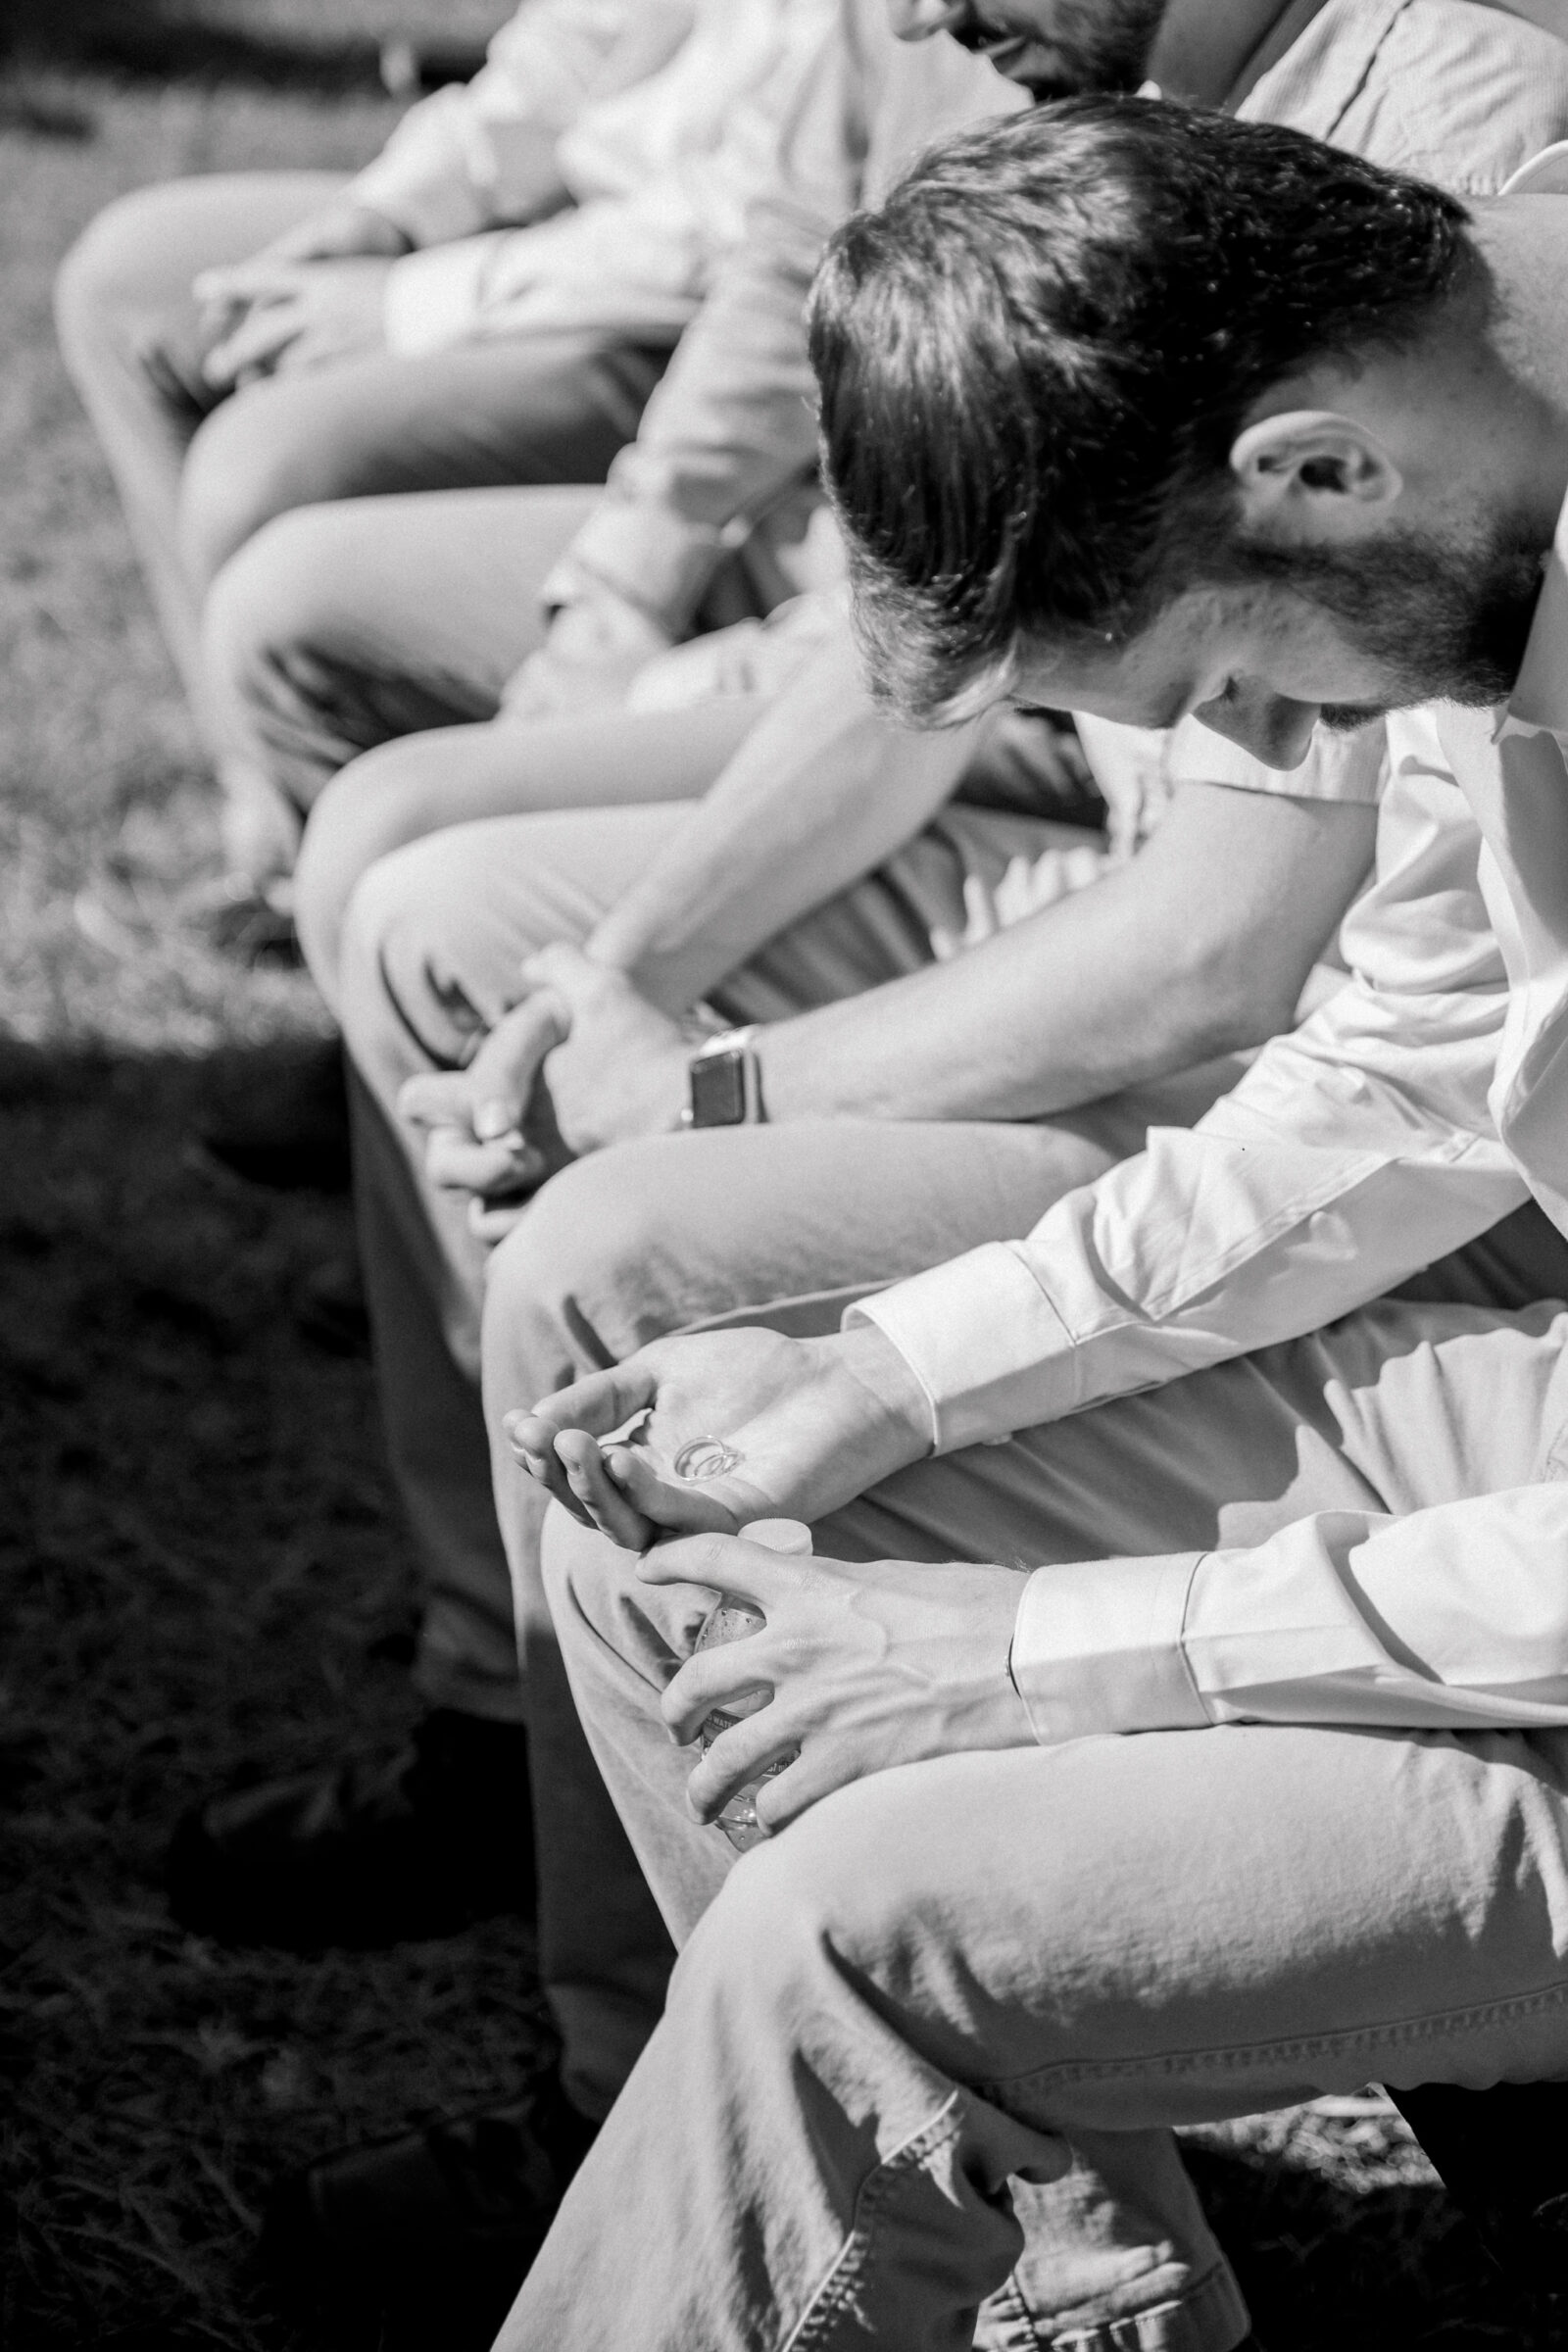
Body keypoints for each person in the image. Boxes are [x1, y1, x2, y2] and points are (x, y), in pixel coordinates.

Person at [184, 0, 1568, 2293]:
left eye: (1230, 691)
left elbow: (1253, 981)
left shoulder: (1441, 484)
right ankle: (990, 2272)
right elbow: (1406, 1067)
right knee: (684, 1530)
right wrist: (878, 1374)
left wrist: (1037, 1645)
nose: (1261, 765)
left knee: (850, 1919)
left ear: (1314, 472)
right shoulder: (1465, 502)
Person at [54, 0, 835, 908]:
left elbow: (758, 233)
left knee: (259, 467)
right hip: (568, 217)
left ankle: (341, 866)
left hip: (673, 313)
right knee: (128, 282)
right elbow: (567, 47)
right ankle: (268, 813)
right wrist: (384, 215)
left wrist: (406, 304)